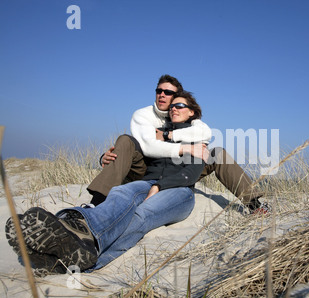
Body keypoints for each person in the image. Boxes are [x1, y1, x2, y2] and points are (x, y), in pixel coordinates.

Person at [6, 91, 207, 273]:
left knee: (142, 215)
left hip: (180, 191)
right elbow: (137, 155)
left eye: (179, 106)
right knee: (120, 193)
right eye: (172, 106)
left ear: (191, 112)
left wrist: (159, 186)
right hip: (149, 182)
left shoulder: (198, 137)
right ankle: (72, 231)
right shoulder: (158, 134)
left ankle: (90, 259)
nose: (173, 108)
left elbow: (191, 173)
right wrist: (105, 157)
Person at [88, 74, 268, 214]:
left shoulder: (183, 113)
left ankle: (254, 204)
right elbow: (148, 147)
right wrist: (186, 147)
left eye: (168, 93)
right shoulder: (143, 115)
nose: (162, 95)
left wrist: (168, 134)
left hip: (182, 167)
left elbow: (205, 132)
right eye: (159, 91)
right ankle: (95, 203)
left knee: (218, 153)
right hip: (147, 166)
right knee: (125, 140)